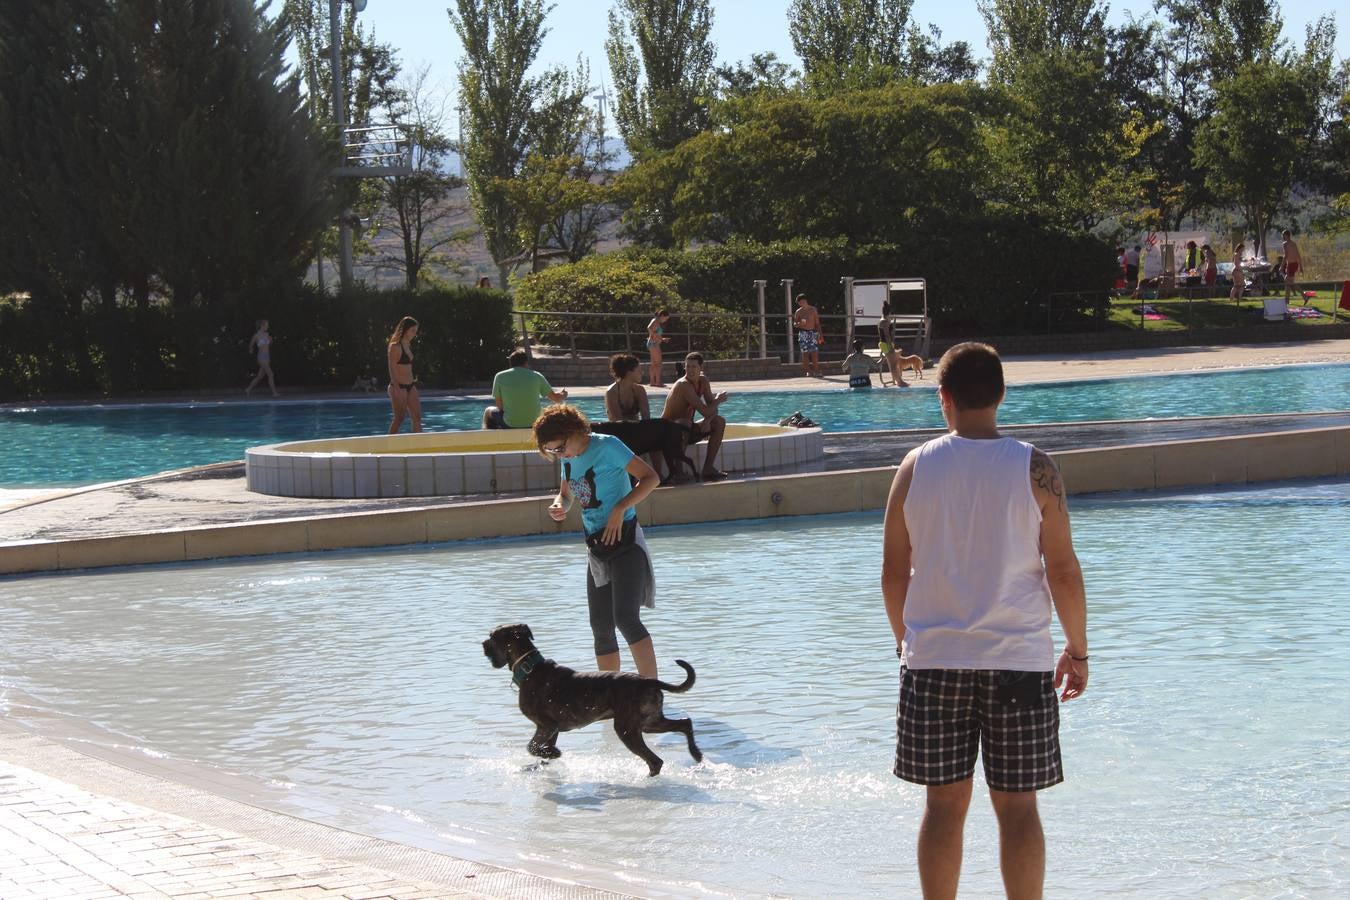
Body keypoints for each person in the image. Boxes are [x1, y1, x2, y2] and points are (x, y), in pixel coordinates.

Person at [881, 341, 1089, 900]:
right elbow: (1063, 571)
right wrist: (1078, 649)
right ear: (1000, 395)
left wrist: (907, 644)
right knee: (1019, 809)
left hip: (934, 662)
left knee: (943, 808)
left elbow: (893, 573)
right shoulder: (1036, 468)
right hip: (1019, 663)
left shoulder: (914, 467)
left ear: (942, 397)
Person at [536, 404, 663, 677]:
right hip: (596, 547)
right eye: (554, 451)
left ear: (574, 432)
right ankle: (610, 696)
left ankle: (650, 692)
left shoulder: (609, 447)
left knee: (626, 619)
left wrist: (619, 509)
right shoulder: (568, 458)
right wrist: (560, 504)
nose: (559, 455)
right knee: (601, 627)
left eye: (560, 448)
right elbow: (567, 493)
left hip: (626, 541)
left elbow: (651, 478)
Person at [661, 351, 729, 480]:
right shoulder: (683, 385)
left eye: (694, 366)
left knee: (719, 421)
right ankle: (678, 471)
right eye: (688, 366)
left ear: (701, 368)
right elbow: (707, 410)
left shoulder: (703, 381)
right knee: (684, 423)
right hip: (668, 433)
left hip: (687, 429)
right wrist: (718, 400)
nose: (690, 370)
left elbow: (712, 410)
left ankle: (708, 468)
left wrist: (708, 421)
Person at [483, 348, 568, 429]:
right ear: (526, 362)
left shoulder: (499, 376)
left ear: (511, 363)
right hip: (535, 424)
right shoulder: (537, 375)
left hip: (509, 424)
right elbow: (556, 399)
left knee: (488, 411)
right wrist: (563, 395)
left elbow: (499, 406)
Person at [386, 316, 422, 433]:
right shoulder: (395, 346)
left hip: (410, 385)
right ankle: (389, 446)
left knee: (417, 418)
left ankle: (419, 448)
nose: (414, 334)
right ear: (406, 329)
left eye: (415, 331)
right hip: (398, 386)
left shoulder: (408, 345)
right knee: (399, 418)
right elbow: (391, 368)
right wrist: (396, 388)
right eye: (413, 330)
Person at [605, 353, 650, 422]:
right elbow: (617, 421)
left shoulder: (640, 390)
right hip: (617, 430)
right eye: (639, 370)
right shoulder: (611, 392)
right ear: (629, 372)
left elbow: (646, 418)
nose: (642, 373)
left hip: (636, 429)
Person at [245, 319, 278, 398]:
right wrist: (251, 350)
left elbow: (269, 345)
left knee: (260, 376)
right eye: (267, 325)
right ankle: (274, 393)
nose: (268, 326)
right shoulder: (256, 336)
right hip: (261, 357)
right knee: (271, 374)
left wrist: (271, 340)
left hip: (267, 357)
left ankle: (248, 389)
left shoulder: (267, 334)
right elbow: (251, 344)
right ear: (262, 326)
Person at [793, 294, 824, 377]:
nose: (799, 304)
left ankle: (816, 371)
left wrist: (820, 334)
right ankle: (809, 371)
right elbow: (795, 324)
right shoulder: (798, 311)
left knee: (814, 353)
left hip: (812, 333)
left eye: (800, 302)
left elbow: (817, 323)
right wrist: (799, 324)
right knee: (805, 354)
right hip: (803, 333)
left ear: (804, 301)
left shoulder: (813, 310)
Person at [646, 310, 672, 388]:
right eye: (666, 318)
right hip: (654, 344)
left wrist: (662, 339)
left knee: (653, 363)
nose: (666, 320)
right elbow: (649, 328)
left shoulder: (655, 321)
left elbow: (654, 332)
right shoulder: (656, 321)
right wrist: (653, 337)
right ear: (662, 316)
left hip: (652, 343)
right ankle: (657, 382)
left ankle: (652, 382)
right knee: (658, 363)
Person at [1282, 230, 1303, 304]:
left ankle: (1303, 295)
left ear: (1287, 235)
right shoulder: (1294, 244)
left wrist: (1281, 266)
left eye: (1283, 235)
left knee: (1288, 282)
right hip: (1295, 264)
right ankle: (1287, 301)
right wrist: (1300, 266)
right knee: (1289, 283)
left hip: (1291, 265)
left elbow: (1285, 256)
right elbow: (1298, 255)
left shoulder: (1285, 244)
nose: (1282, 237)